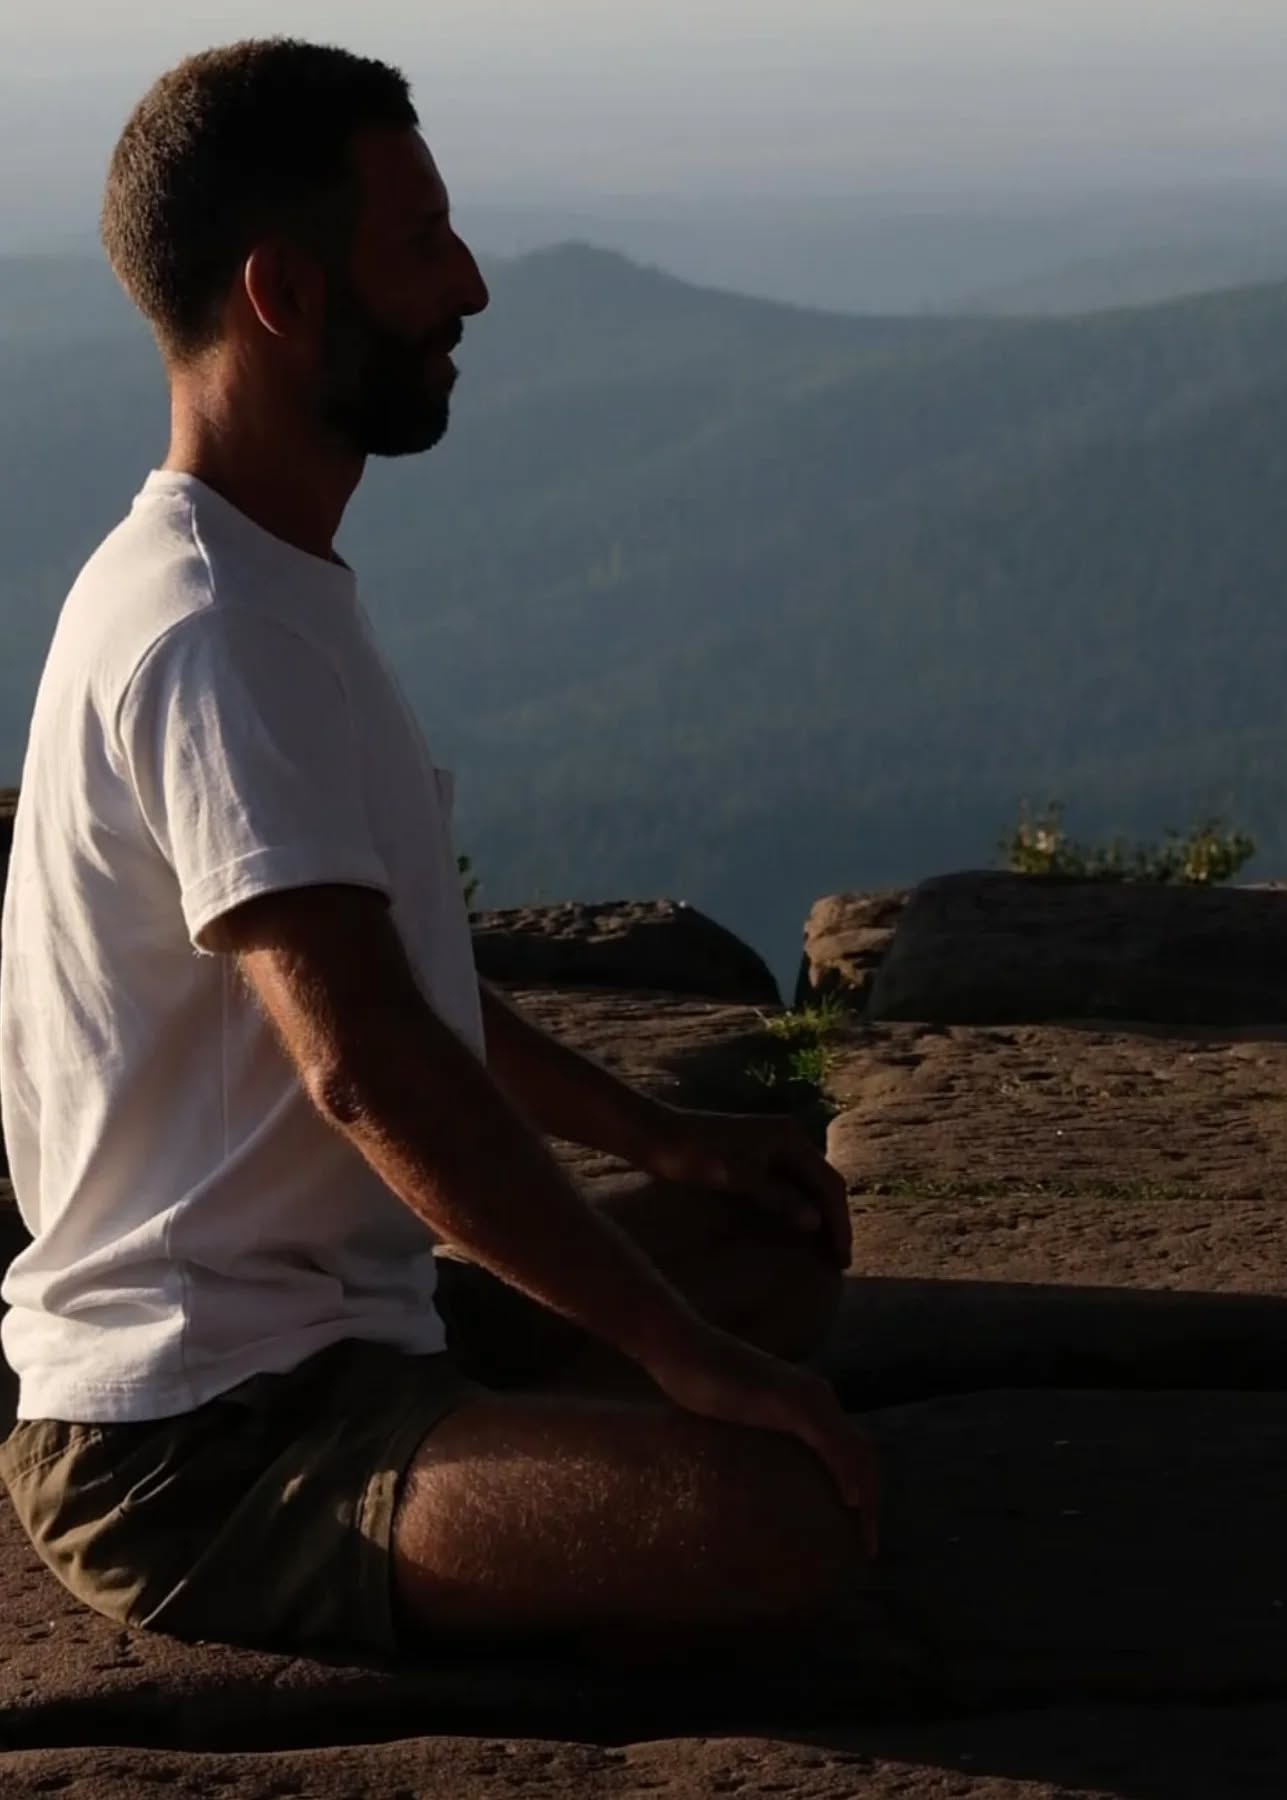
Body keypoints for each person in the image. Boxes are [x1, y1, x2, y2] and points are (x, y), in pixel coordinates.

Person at [0, 37, 877, 1659]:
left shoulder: (260, 578)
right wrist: (676, 1357)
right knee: (780, 1524)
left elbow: (402, 993)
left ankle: (522, 1405)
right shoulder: (209, 628)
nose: (469, 285)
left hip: (352, 1315)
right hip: (202, 1435)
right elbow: (366, 1065)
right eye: (421, 245)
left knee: (770, 1237)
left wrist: (656, 1139)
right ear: (283, 291)